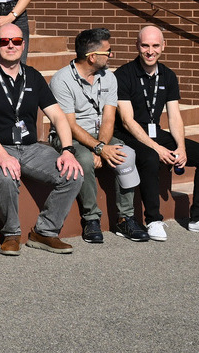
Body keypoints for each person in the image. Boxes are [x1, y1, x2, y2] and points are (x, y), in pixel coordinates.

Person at [0, 23, 82, 255]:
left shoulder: (33, 76)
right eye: (4, 41)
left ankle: (45, 232)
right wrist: (2, 156)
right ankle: (11, 234)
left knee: (73, 174)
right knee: (6, 177)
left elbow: (58, 117)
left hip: (30, 148)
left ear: (23, 44)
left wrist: (68, 150)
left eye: (16, 41)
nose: (11, 45)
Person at [115, 25, 199, 241]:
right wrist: (158, 148)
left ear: (164, 46)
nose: (150, 51)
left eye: (155, 46)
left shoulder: (168, 75)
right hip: (129, 135)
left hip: (154, 132)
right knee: (150, 157)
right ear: (137, 46)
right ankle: (153, 220)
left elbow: (174, 116)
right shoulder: (123, 75)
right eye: (145, 46)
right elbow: (127, 121)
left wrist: (181, 148)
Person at [51, 28, 140, 246]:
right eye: (108, 51)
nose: (111, 55)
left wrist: (102, 147)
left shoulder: (109, 77)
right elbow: (69, 125)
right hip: (69, 135)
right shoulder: (62, 80)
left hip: (100, 136)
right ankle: (91, 219)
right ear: (92, 57)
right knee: (83, 159)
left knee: (127, 155)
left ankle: (125, 218)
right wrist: (99, 149)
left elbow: (109, 119)